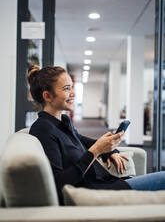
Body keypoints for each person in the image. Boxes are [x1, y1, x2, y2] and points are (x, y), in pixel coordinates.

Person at [28, 65, 165, 205]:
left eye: (72, 87)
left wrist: (110, 151)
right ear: (47, 96)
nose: (73, 93)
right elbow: (58, 183)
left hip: (105, 183)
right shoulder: (43, 130)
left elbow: (81, 140)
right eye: (66, 88)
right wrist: (97, 150)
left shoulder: (62, 122)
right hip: (98, 193)